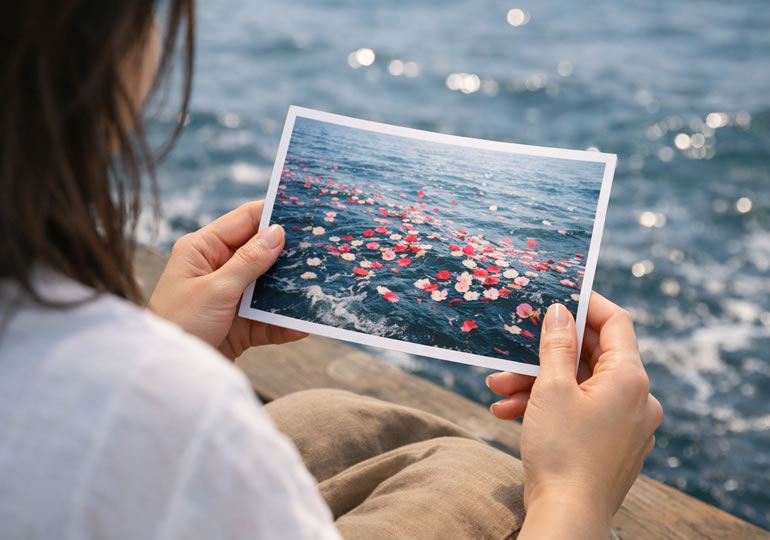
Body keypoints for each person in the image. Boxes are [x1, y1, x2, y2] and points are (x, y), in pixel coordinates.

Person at [0, 2, 662, 539]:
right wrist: (576, 496)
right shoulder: (169, 411)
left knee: (325, 416)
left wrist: (166, 349)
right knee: (471, 477)